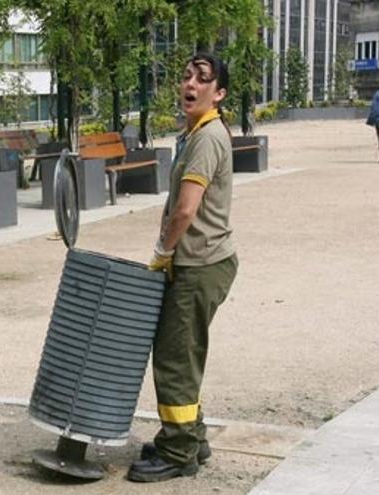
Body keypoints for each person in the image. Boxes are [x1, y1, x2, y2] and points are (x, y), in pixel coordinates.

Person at [127, 53, 238, 483]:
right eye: (187, 75)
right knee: (184, 354)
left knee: (175, 359)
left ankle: (178, 453)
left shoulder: (207, 137)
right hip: (200, 263)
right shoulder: (196, 133)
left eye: (203, 79)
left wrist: (162, 251)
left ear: (219, 93)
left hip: (197, 266)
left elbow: (185, 210)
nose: (190, 83)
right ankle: (190, 435)